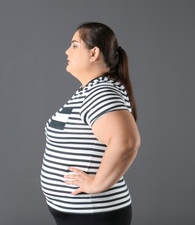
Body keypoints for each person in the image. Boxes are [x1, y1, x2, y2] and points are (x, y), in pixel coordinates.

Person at [40, 22, 141, 225]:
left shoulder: (101, 92)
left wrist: (95, 184)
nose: (67, 50)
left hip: (93, 213)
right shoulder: (92, 90)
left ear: (93, 53)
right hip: (83, 213)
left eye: (75, 45)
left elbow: (127, 142)